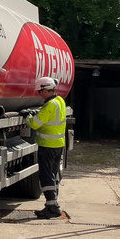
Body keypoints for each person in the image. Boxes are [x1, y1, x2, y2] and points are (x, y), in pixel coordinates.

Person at [27, 76, 67, 219]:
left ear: (45, 89)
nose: (39, 94)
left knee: (46, 176)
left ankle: (52, 207)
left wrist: (28, 116)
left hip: (48, 145)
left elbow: (34, 124)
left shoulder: (49, 105)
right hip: (58, 144)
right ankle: (52, 205)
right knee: (53, 175)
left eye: (39, 91)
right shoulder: (60, 101)